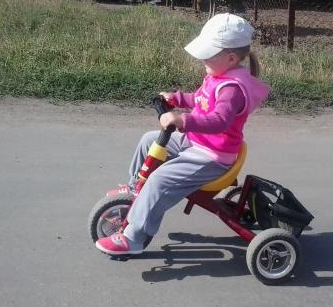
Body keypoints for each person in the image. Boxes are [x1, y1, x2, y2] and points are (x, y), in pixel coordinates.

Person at [95, 13, 270, 256]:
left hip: (212, 157)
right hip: (197, 143)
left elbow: (218, 120)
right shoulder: (217, 75)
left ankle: (133, 237)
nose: (202, 59)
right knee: (149, 139)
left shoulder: (232, 89)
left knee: (160, 180)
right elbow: (199, 100)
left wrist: (181, 119)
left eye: (207, 54)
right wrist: (176, 98)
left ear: (230, 58)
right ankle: (137, 190)